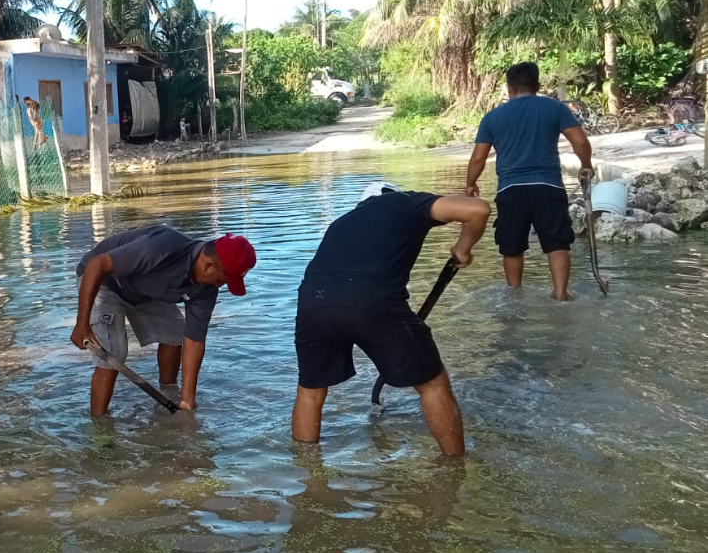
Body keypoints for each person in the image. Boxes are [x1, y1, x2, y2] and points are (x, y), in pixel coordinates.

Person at [292, 181, 491, 456]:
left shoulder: (342, 222)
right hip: (370, 300)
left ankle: (307, 475)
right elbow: (478, 209)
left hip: (313, 303)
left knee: (311, 390)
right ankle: (454, 467)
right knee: (433, 384)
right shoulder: (406, 202)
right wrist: (463, 249)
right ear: (391, 194)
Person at [70, 225, 256, 415]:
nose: (221, 285)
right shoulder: (162, 246)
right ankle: (100, 427)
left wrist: (187, 402)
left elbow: (194, 340)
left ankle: (168, 394)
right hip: (104, 282)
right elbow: (96, 265)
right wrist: (82, 324)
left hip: (145, 291)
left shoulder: (206, 291)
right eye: (222, 280)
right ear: (208, 265)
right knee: (114, 353)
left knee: (175, 334)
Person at [464, 61, 595, 301]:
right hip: (549, 187)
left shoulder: (492, 117)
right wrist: (585, 166)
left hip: (511, 190)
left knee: (511, 246)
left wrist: (471, 183)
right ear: (537, 85)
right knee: (556, 243)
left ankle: (515, 298)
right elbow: (581, 142)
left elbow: (478, 158)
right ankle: (560, 296)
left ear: (509, 87)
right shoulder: (555, 108)